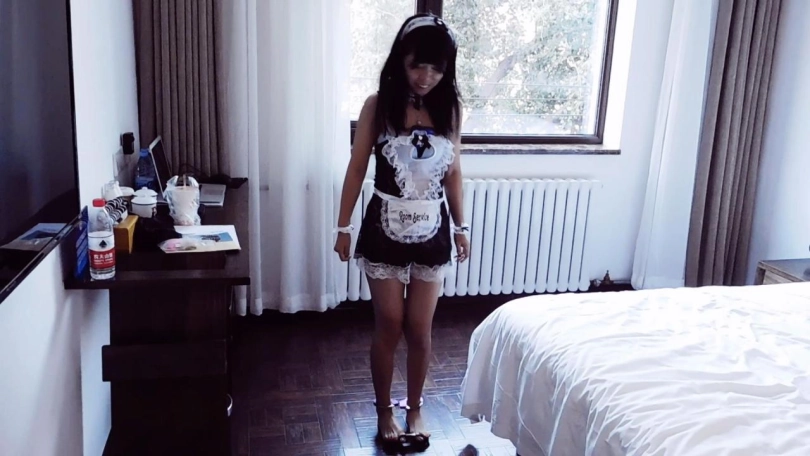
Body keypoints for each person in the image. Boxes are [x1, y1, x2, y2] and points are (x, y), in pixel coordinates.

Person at [333, 13, 470, 450]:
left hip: (433, 228)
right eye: (417, 65)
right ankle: (383, 410)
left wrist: (462, 227)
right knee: (389, 323)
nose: (426, 77)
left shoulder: (450, 109)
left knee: (420, 329)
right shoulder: (378, 105)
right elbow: (357, 167)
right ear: (400, 60)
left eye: (436, 68)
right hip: (383, 226)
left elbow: (454, 173)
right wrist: (343, 226)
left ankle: (414, 407)